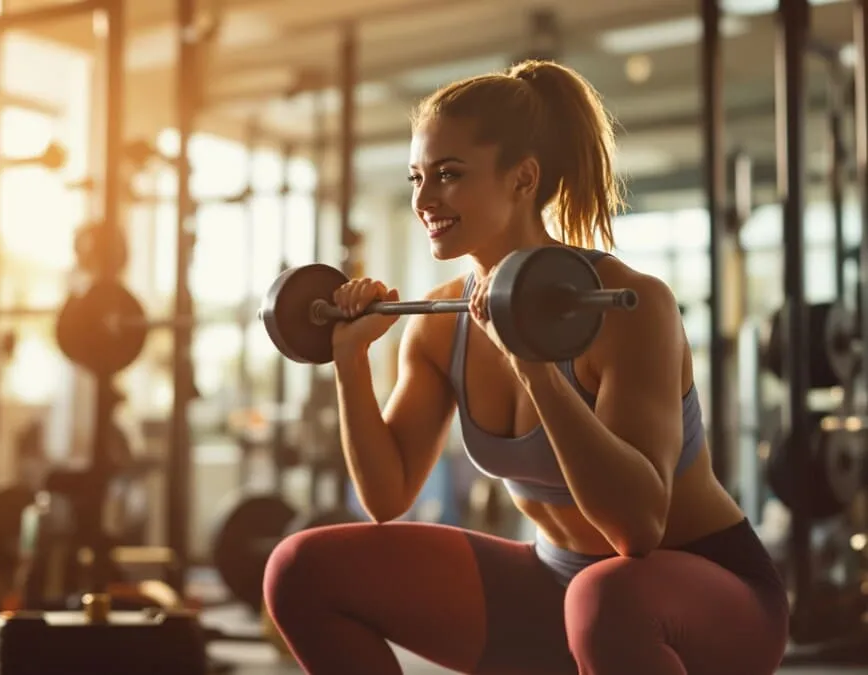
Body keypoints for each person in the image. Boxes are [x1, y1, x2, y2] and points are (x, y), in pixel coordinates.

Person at [263, 59, 789, 675]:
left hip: (700, 602)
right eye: (416, 178)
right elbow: (385, 497)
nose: (424, 200)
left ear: (523, 178)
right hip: (557, 592)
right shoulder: (439, 321)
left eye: (449, 175)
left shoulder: (629, 304)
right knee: (301, 568)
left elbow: (637, 529)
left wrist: (532, 364)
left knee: (607, 596)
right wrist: (350, 361)